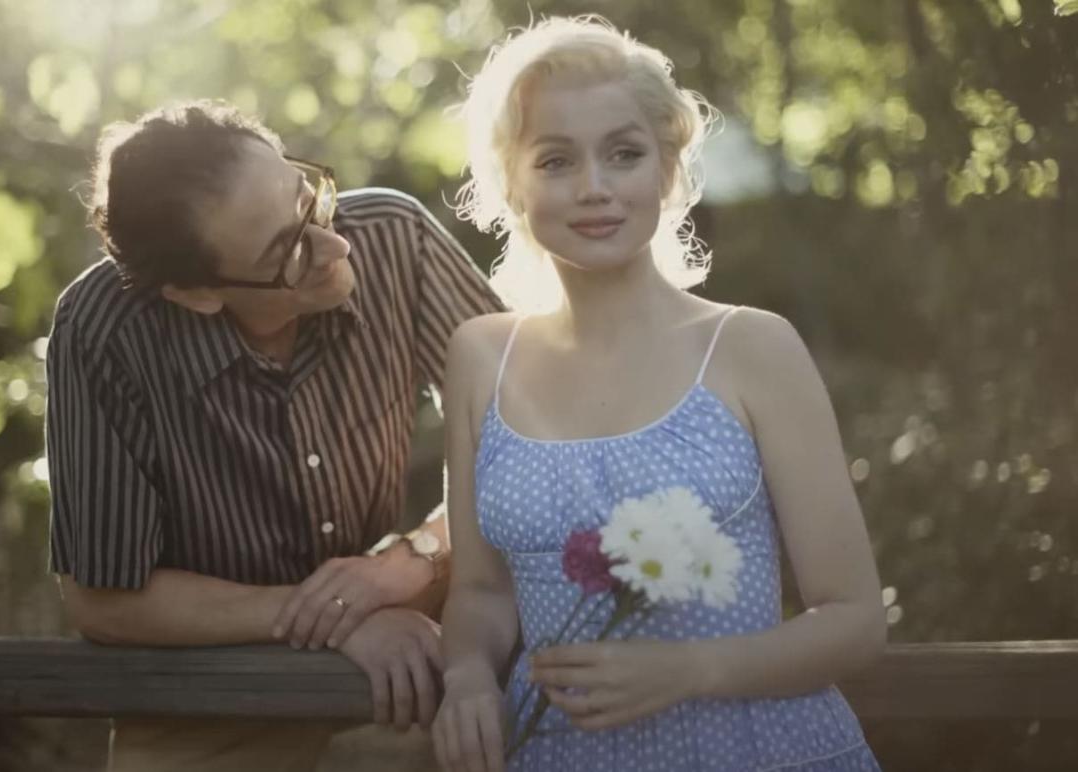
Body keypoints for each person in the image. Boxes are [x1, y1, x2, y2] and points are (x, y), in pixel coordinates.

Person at [433, 17, 885, 771]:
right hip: (553, 754)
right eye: (555, 160)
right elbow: (481, 592)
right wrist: (467, 676)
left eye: (624, 154)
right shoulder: (480, 355)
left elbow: (855, 620)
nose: (595, 188)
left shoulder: (752, 348)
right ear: (510, 181)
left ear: (668, 170)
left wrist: (690, 671)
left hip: (760, 752)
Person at [44, 99, 503, 771]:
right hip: (206, 698)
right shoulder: (103, 329)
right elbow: (106, 600)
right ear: (196, 292)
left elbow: (537, 443)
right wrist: (337, 616)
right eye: (287, 251)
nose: (335, 244)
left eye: (309, 198)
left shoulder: (394, 234)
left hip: (417, 650)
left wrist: (409, 562)